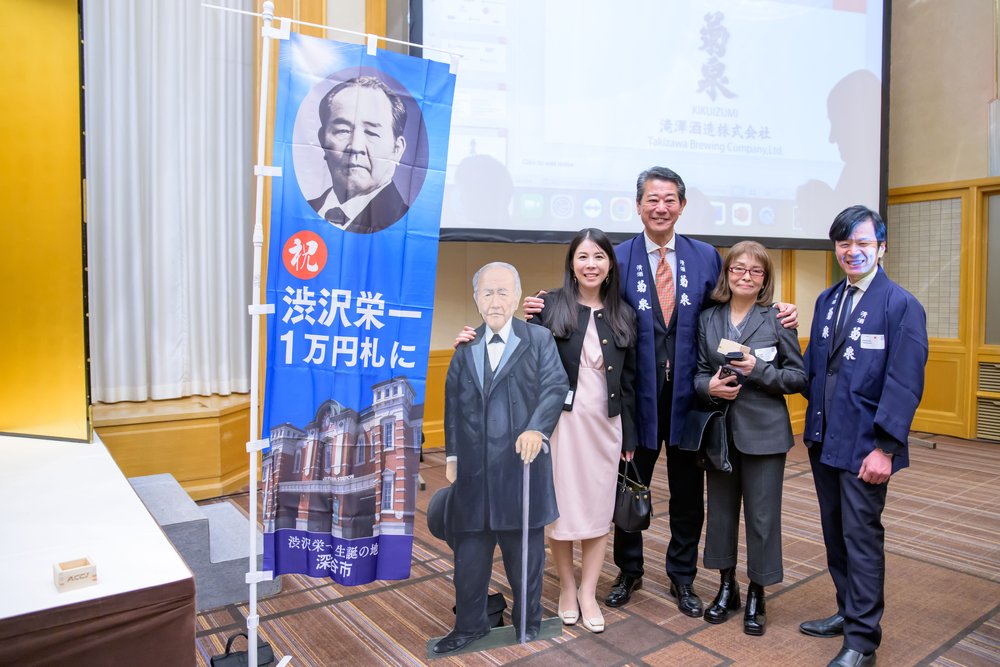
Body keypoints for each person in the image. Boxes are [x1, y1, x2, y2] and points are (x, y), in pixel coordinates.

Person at [523, 167, 798, 617]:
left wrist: (780, 308)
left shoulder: (707, 256)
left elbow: (733, 304)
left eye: (670, 199)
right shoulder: (620, 256)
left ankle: (682, 577)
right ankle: (628, 571)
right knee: (630, 483)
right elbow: (585, 295)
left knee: (689, 495)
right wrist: (543, 302)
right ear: (638, 206)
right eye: (652, 199)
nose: (660, 207)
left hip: (694, 397)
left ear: (682, 206)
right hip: (637, 397)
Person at [799, 205, 927, 667]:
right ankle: (846, 610)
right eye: (845, 243)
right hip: (824, 441)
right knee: (835, 534)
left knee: (862, 538)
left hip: (866, 448)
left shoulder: (900, 305)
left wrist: (886, 449)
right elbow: (815, 367)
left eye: (863, 244)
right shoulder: (829, 300)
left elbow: (905, 383)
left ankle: (862, 640)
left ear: (882, 248)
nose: (853, 252)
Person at [435, 262, 568, 655]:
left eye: (503, 292)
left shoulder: (539, 339)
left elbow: (555, 386)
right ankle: (469, 625)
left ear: (517, 297)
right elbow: (454, 403)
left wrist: (537, 428)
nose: (495, 301)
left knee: (524, 554)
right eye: (487, 293)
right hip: (474, 475)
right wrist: (453, 455)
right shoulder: (465, 346)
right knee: (470, 556)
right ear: (476, 300)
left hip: (520, 469)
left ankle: (528, 621)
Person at [692, 240, 806, 636]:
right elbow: (698, 372)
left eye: (755, 271)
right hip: (720, 432)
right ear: (727, 274)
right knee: (721, 514)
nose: (745, 276)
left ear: (764, 279)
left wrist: (758, 370)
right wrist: (710, 387)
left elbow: (797, 378)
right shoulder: (708, 318)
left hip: (766, 434)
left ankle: (758, 591)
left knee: (761, 517)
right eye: (738, 268)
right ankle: (727, 587)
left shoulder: (777, 319)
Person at [527, 228, 637, 633]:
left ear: (610, 266)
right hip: (560, 425)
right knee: (561, 511)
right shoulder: (548, 305)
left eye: (599, 258)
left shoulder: (625, 314)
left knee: (596, 511)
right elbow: (528, 365)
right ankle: (566, 588)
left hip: (606, 426)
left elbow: (630, 385)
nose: (591, 265)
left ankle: (589, 591)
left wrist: (632, 438)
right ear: (571, 264)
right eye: (583, 257)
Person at [309, 76, 409, 234]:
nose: (355, 146)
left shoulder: (407, 225)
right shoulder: (299, 212)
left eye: (371, 133)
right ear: (323, 140)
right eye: (343, 130)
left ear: (397, 149)